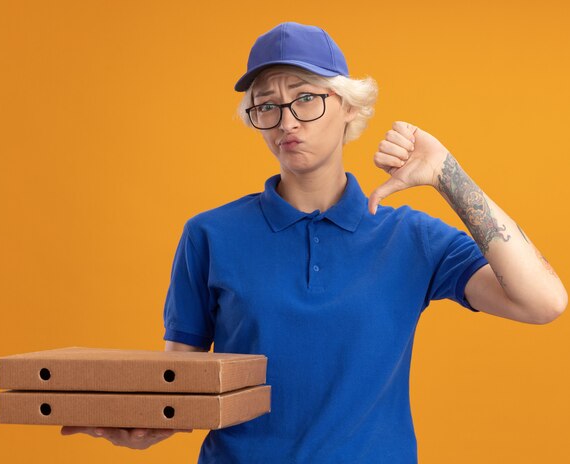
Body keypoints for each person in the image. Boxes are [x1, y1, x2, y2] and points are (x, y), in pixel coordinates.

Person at [62, 21, 567, 462]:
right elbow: (183, 386)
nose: (286, 122)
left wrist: (448, 175)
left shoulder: (411, 238)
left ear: (348, 106)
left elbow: (544, 302)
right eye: (267, 106)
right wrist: (145, 426)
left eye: (305, 98)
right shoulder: (209, 234)